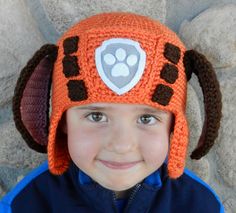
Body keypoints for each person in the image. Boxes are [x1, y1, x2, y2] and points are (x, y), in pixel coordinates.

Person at [0, 12, 224, 213]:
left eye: (146, 118)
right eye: (96, 116)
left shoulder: (201, 205)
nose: (121, 145)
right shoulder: (27, 204)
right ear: (63, 121)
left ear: (174, 125)